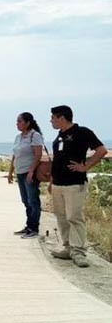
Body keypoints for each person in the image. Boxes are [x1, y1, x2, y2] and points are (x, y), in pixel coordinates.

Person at [48, 105, 108, 268]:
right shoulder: (59, 137)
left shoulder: (82, 132)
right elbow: (58, 160)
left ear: (62, 118)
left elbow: (101, 150)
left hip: (74, 183)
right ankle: (68, 247)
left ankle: (79, 252)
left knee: (74, 217)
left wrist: (85, 166)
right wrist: (52, 181)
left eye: (53, 117)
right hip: (58, 184)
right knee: (61, 217)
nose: (51, 121)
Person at [8, 112, 45, 239]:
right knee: (25, 201)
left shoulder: (34, 135)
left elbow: (38, 155)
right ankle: (29, 226)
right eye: (17, 121)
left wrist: (31, 171)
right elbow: (15, 155)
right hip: (20, 172)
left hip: (29, 173)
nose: (17, 124)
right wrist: (10, 172)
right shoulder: (18, 137)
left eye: (20, 121)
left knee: (33, 200)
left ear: (28, 122)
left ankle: (34, 228)